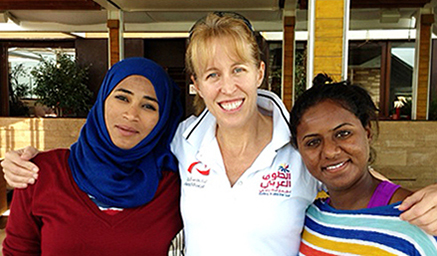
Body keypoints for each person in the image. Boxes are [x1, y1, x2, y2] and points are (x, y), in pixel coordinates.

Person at [2, 12, 437, 256]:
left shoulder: (300, 143)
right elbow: (124, 146)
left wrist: (424, 200)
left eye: (239, 70)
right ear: (195, 84)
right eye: (212, 74)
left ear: (260, 72)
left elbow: (354, 178)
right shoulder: (181, 139)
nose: (227, 87)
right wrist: (28, 158)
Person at [2, 57, 183, 255]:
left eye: (148, 106)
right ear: (103, 100)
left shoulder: (175, 185)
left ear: (162, 118)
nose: (131, 114)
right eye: (122, 98)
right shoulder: (38, 173)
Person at [290, 74, 437, 255]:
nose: (329, 151)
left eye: (343, 133)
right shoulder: (308, 216)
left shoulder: (420, 219)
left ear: (367, 132)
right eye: (312, 142)